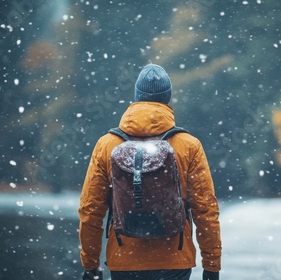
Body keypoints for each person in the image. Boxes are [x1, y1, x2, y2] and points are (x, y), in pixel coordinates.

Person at [79, 64, 221, 280]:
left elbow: (90, 210)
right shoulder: (188, 145)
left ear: (137, 97)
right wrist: (212, 266)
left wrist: (90, 264)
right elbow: (206, 210)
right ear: (167, 98)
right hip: (174, 261)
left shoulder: (107, 145)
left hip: (123, 259)